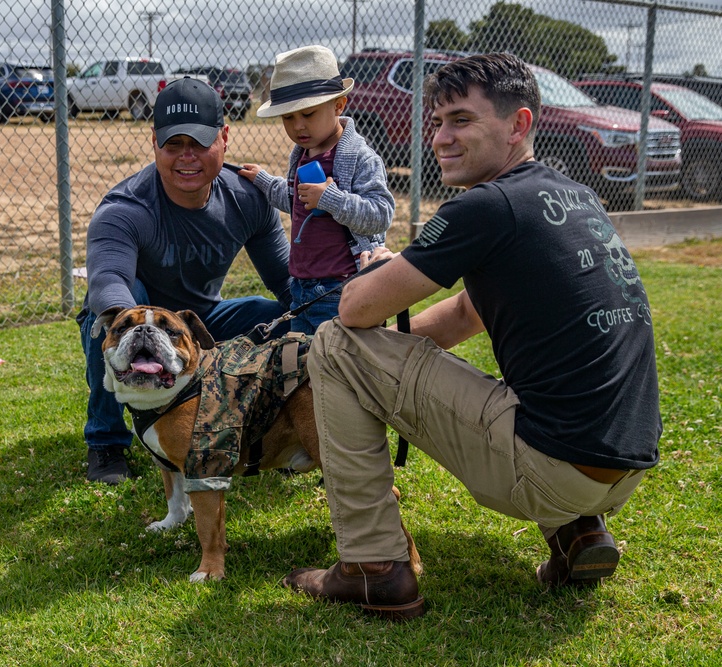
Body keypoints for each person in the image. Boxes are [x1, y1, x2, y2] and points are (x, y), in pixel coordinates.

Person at [282, 53, 662, 620]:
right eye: (436, 122)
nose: (441, 138)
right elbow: (466, 313)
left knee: (334, 346)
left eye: (461, 120)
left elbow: (356, 309)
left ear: (519, 125)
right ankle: (579, 535)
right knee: (547, 389)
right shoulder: (570, 194)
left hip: (552, 470)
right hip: (622, 470)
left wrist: (377, 275)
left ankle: (373, 565)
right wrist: (391, 365)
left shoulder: (486, 207)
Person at [78, 76, 293, 485]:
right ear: (154, 142)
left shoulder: (248, 199)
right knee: (103, 319)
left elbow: (287, 281)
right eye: (173, 144)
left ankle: (274, 428)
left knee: (279, 315)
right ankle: (106, 441)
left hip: (200, 317)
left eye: (198, 143)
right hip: (138, 315)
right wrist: (137, 331)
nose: (186, 157)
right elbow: (108, 280)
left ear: (224, 138)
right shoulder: (125, 208)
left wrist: (333, 306)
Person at [239, 45, 394, 334]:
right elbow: (294, 200)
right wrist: (262, 180)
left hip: (340, 289)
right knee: (302, 367)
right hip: (301, 288)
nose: (298, 126)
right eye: (288, 117)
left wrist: (331, 199)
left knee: (337, 364)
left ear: (339, 105)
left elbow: (380, 214)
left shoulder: (358, 157)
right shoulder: (303, 154)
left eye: (308, 114)